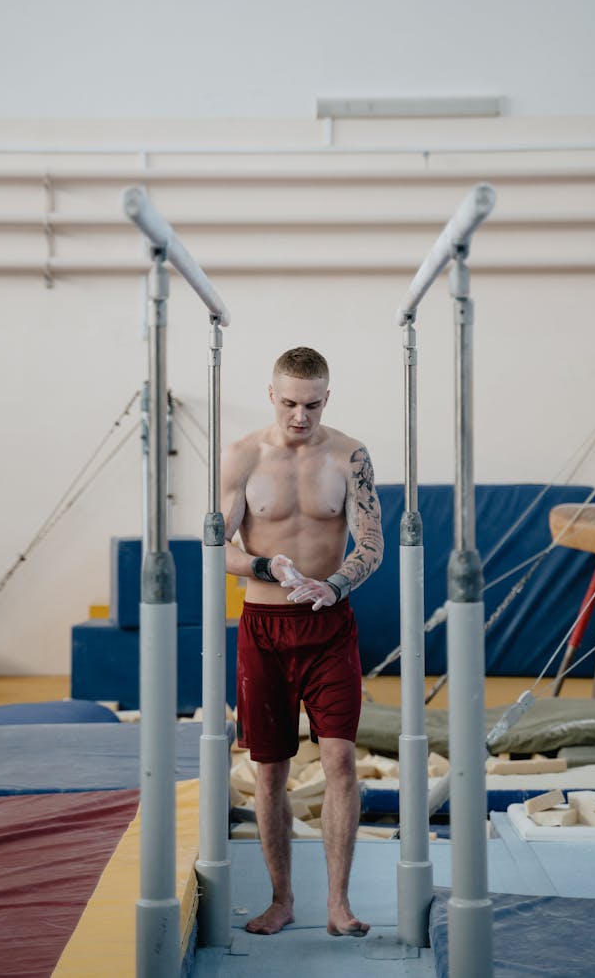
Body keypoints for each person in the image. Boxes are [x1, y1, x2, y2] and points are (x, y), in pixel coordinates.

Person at [222, 346, 384, 938]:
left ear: (327, 399)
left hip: (329, 625)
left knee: (340, 758)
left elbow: (372, 543)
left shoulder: (349, 456)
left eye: (312, 405)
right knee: (270, 770)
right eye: (289, 403)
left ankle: (338, 906)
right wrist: (269, 569)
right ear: (271, 395)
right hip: (263, 630)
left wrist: (334, 584)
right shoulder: (240, 456)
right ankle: (281, 898)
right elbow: (217, 549)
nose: (300, 416)